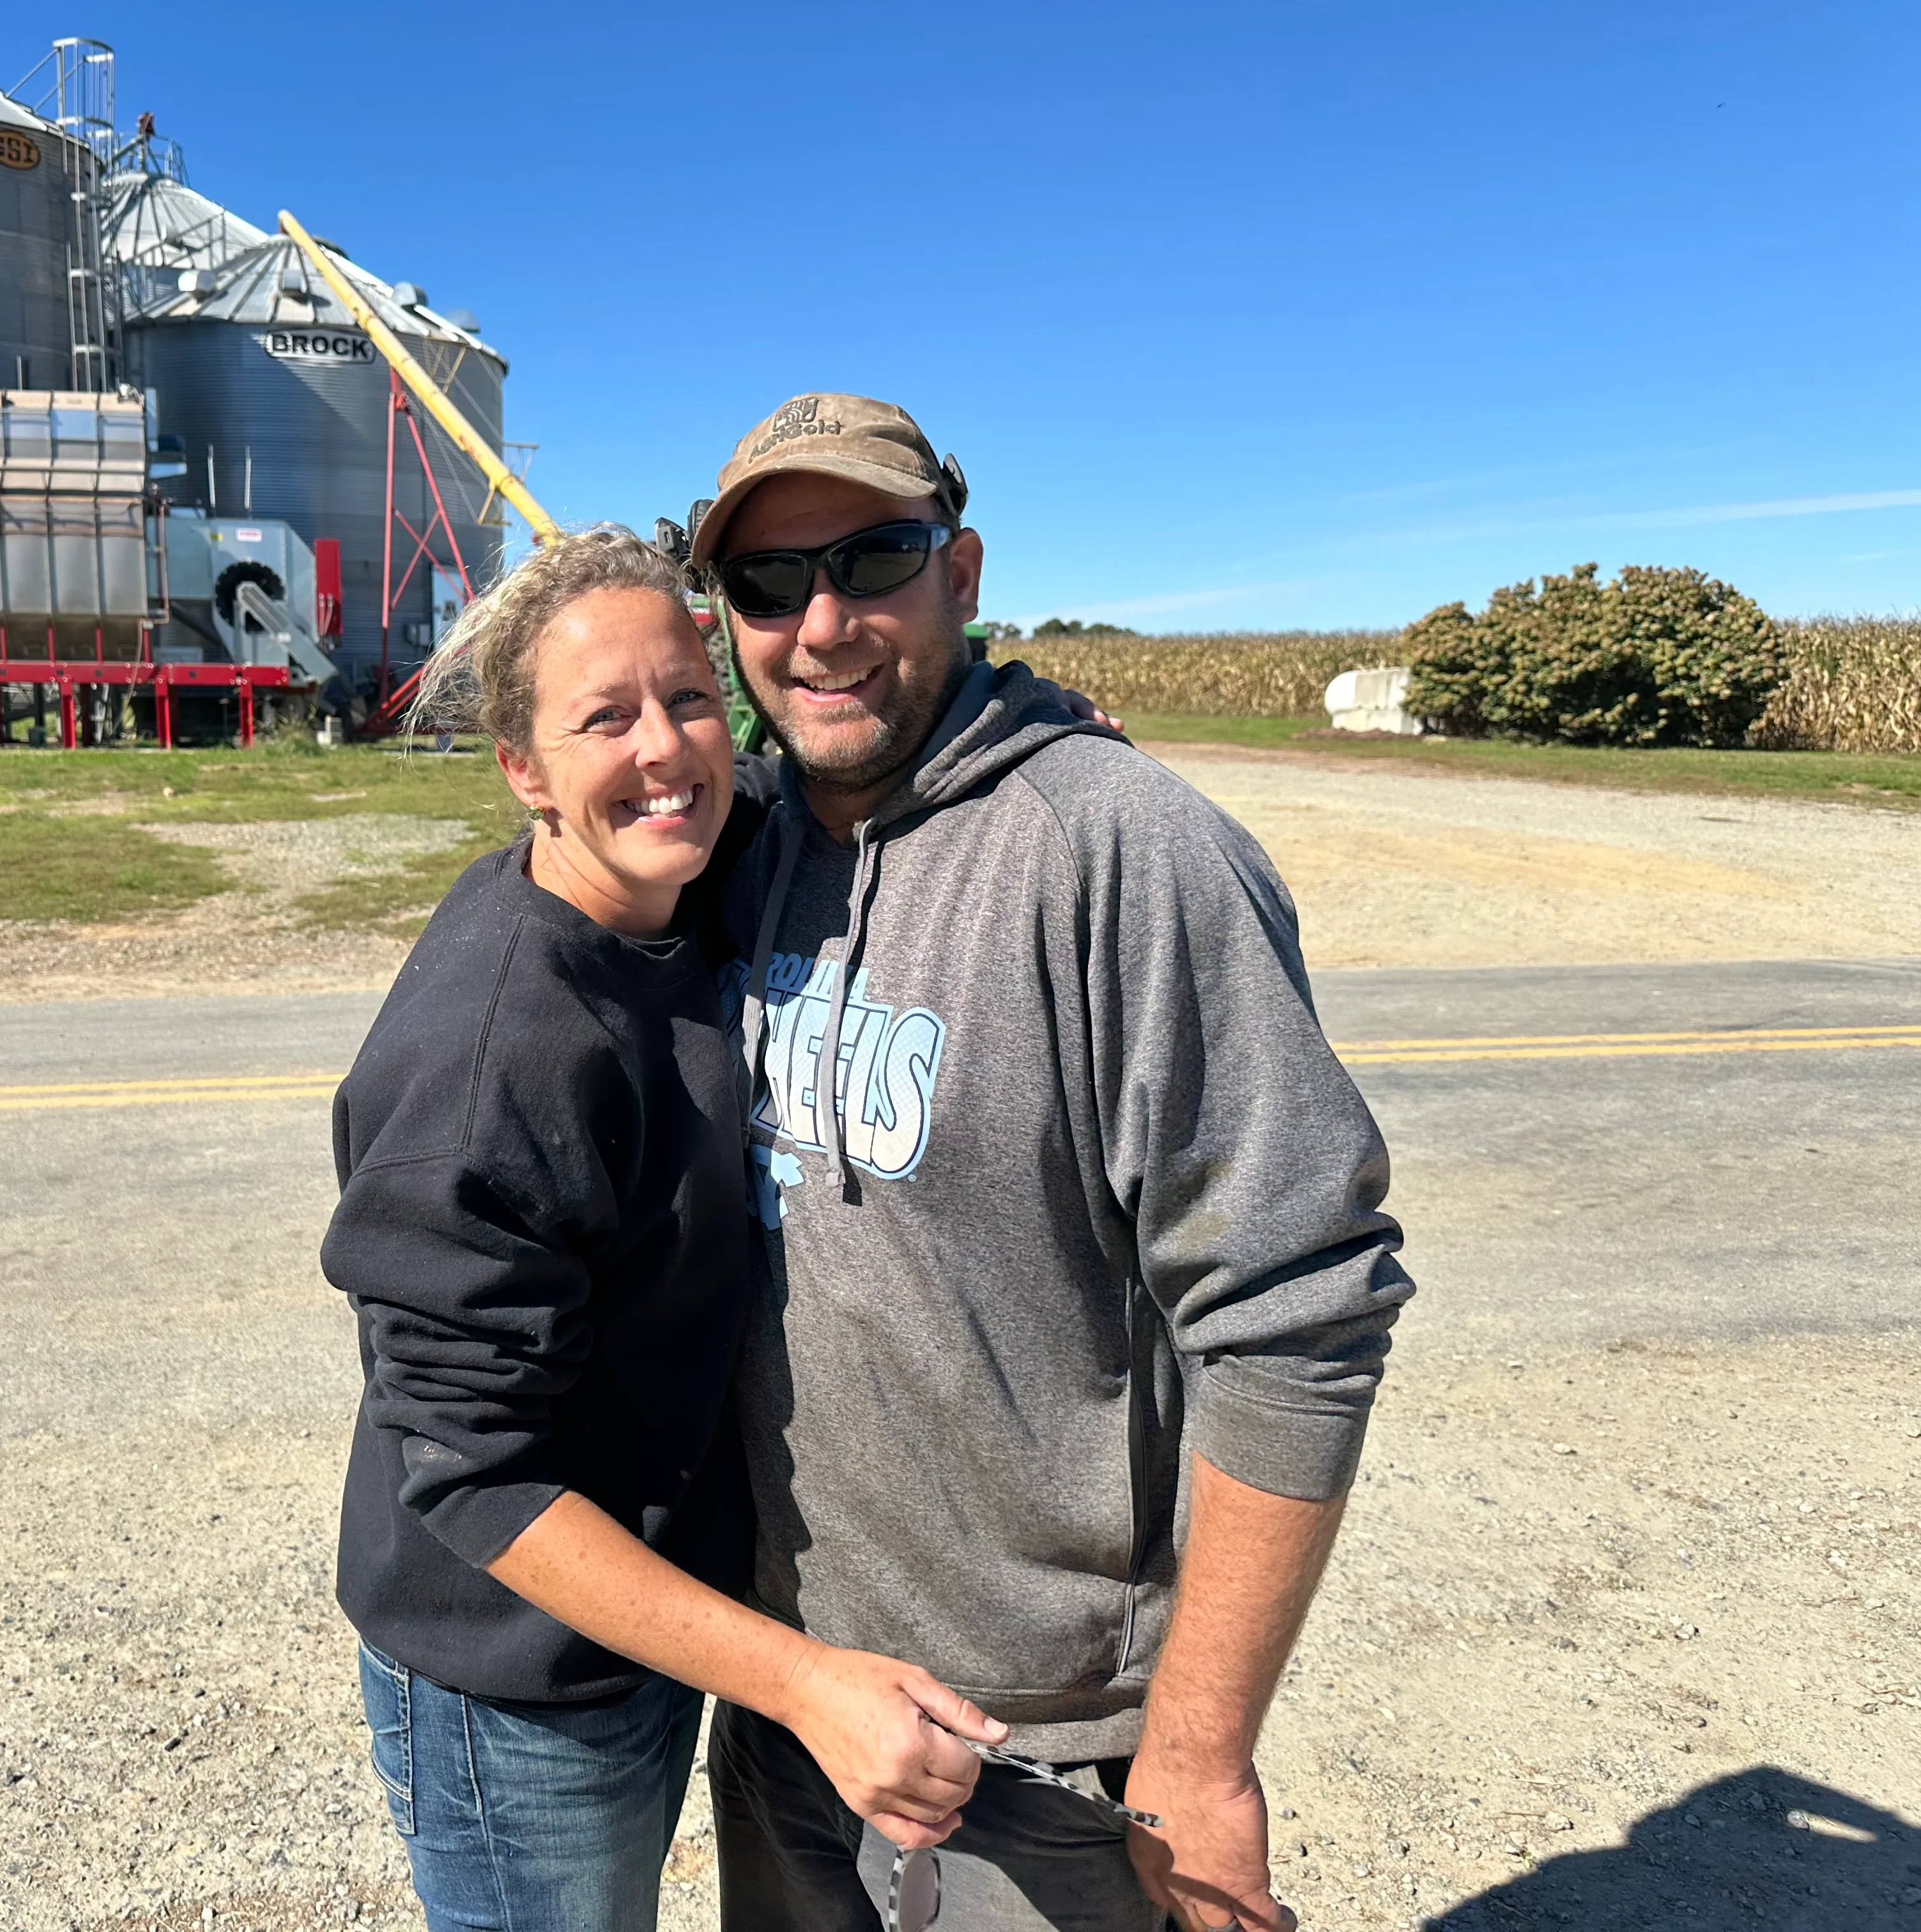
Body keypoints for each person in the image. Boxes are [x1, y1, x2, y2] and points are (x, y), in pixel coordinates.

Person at [688, 397, 1418, 1932]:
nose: (821, 624)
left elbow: (1297, 1308)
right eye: (767, 583)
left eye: (872, 559)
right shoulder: (743, 843)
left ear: (959, 573)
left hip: (1040, 1753)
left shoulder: (1123, 851)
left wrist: (1200, 1762)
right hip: (792, 1701)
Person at [323, 529, 1011, 1932]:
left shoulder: (680, 870)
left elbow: (812, 760)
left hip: (637, 1626)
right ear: (522, 770)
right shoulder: (501, 1055)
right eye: (604, 719)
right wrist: (805, 1684)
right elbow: (474, 1478)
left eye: (688, 699)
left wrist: (1030, 711)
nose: (666, 750)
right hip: (516, 1681)